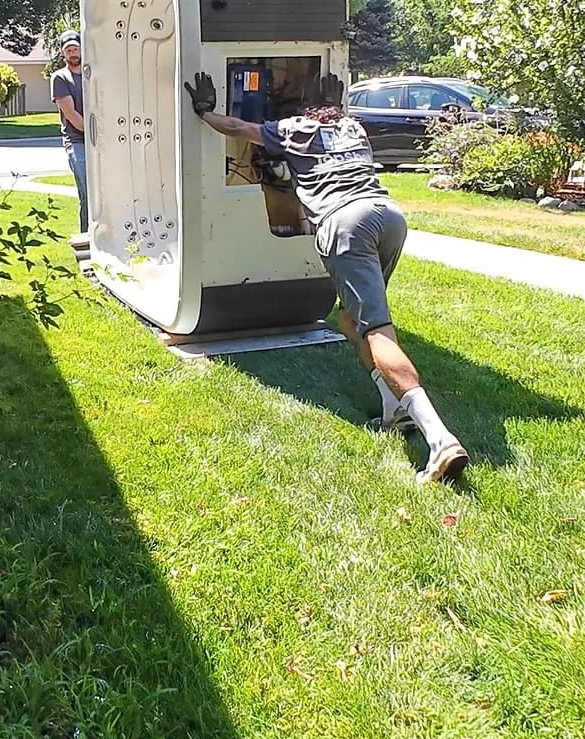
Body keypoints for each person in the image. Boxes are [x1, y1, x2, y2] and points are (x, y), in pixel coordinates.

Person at [185, 71, 470, 483]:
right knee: (350, 321)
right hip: (388, 216)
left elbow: (236, 128)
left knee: (377, 330)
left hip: (346, 224)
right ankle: (394, 410)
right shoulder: (353, 128)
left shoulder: (291, 129)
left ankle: (439, 438)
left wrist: (205, 111)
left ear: (301, 109)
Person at [50, 31, 90, 243]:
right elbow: (71, 114)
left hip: (101, 141)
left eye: (75, 48)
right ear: (62, 52)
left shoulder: (94, 74)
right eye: (69, 50)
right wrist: (94, 135)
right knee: (88, 193)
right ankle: (87, 239)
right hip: (77, 141)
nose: (73, 53)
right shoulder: (60, 78)